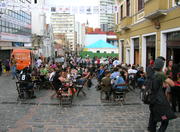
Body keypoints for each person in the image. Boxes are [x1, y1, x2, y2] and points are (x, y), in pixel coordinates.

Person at [148, 56, 176, 132]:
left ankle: (151, 130)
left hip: (152, 99)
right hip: (159, 101)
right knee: (165, 119)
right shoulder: (161, 74)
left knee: (153, 117)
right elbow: (172, 84)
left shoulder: (152, 72)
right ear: (161, 66)